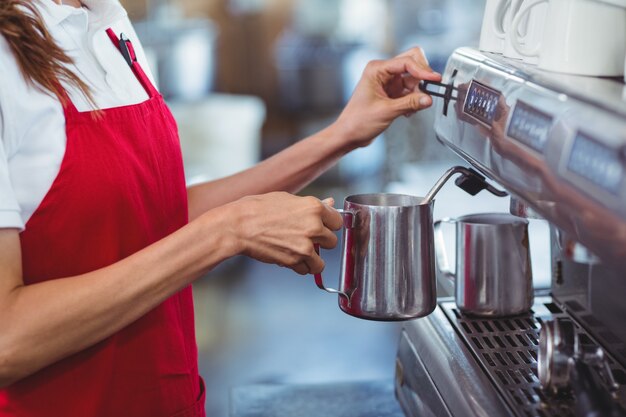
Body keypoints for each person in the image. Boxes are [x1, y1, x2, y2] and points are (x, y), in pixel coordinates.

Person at [0, 0, 441, 415]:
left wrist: (344, 134)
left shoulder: (108, 23)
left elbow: (158, 214)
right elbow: (8, 339)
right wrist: (227, 232)